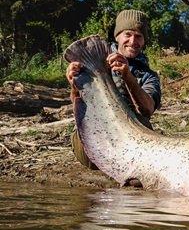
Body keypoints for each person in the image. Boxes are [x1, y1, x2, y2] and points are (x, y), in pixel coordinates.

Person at [66, 9, 162, 170]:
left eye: (139, 36)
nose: (133, 41)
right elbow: (78, 103)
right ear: (117, 36)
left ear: (144, 41)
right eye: (128, 34)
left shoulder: (149, 75)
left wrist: (127, 76)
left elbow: (147, 109)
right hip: (94, 137)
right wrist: (74, 84)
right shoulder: (94, 64)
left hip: (132, 138)